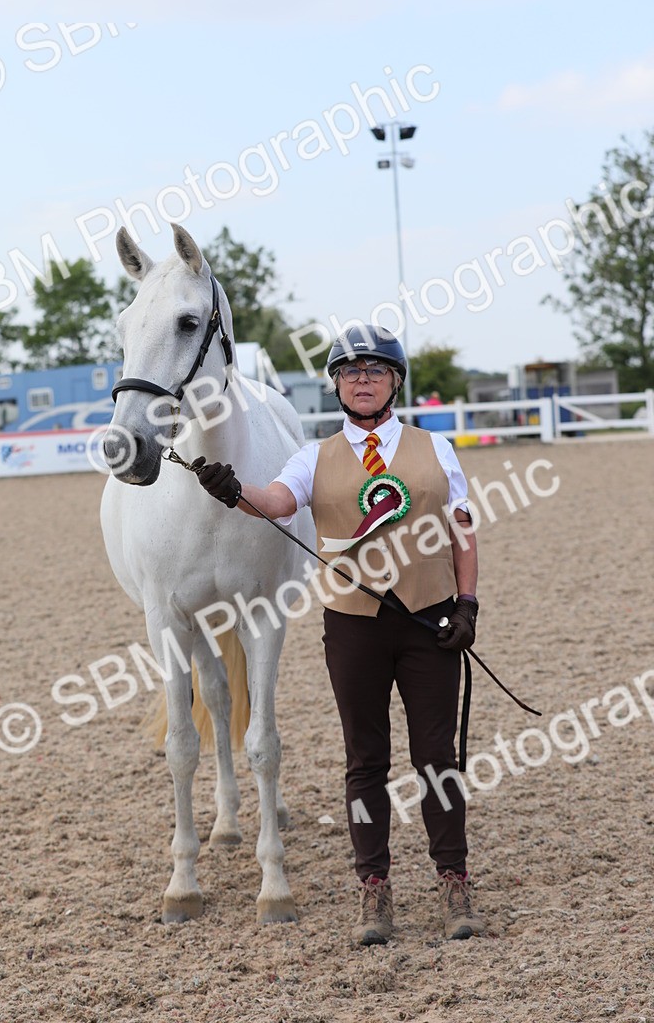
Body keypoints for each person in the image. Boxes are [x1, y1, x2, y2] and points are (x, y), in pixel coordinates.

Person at [194, 324, 484, 945]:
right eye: (350, 372)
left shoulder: (437, 450)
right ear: (336, 385)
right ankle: (373, 889)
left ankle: (453, 879)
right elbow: (275, 501)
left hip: (431, 621)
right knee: (365, 761)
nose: (362, 380)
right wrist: (232, 488)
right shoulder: (313, 458)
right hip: (353, 626)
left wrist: (467, 604)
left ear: (395, 382)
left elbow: (462, 527)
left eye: (374, 371)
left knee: (437, 755)